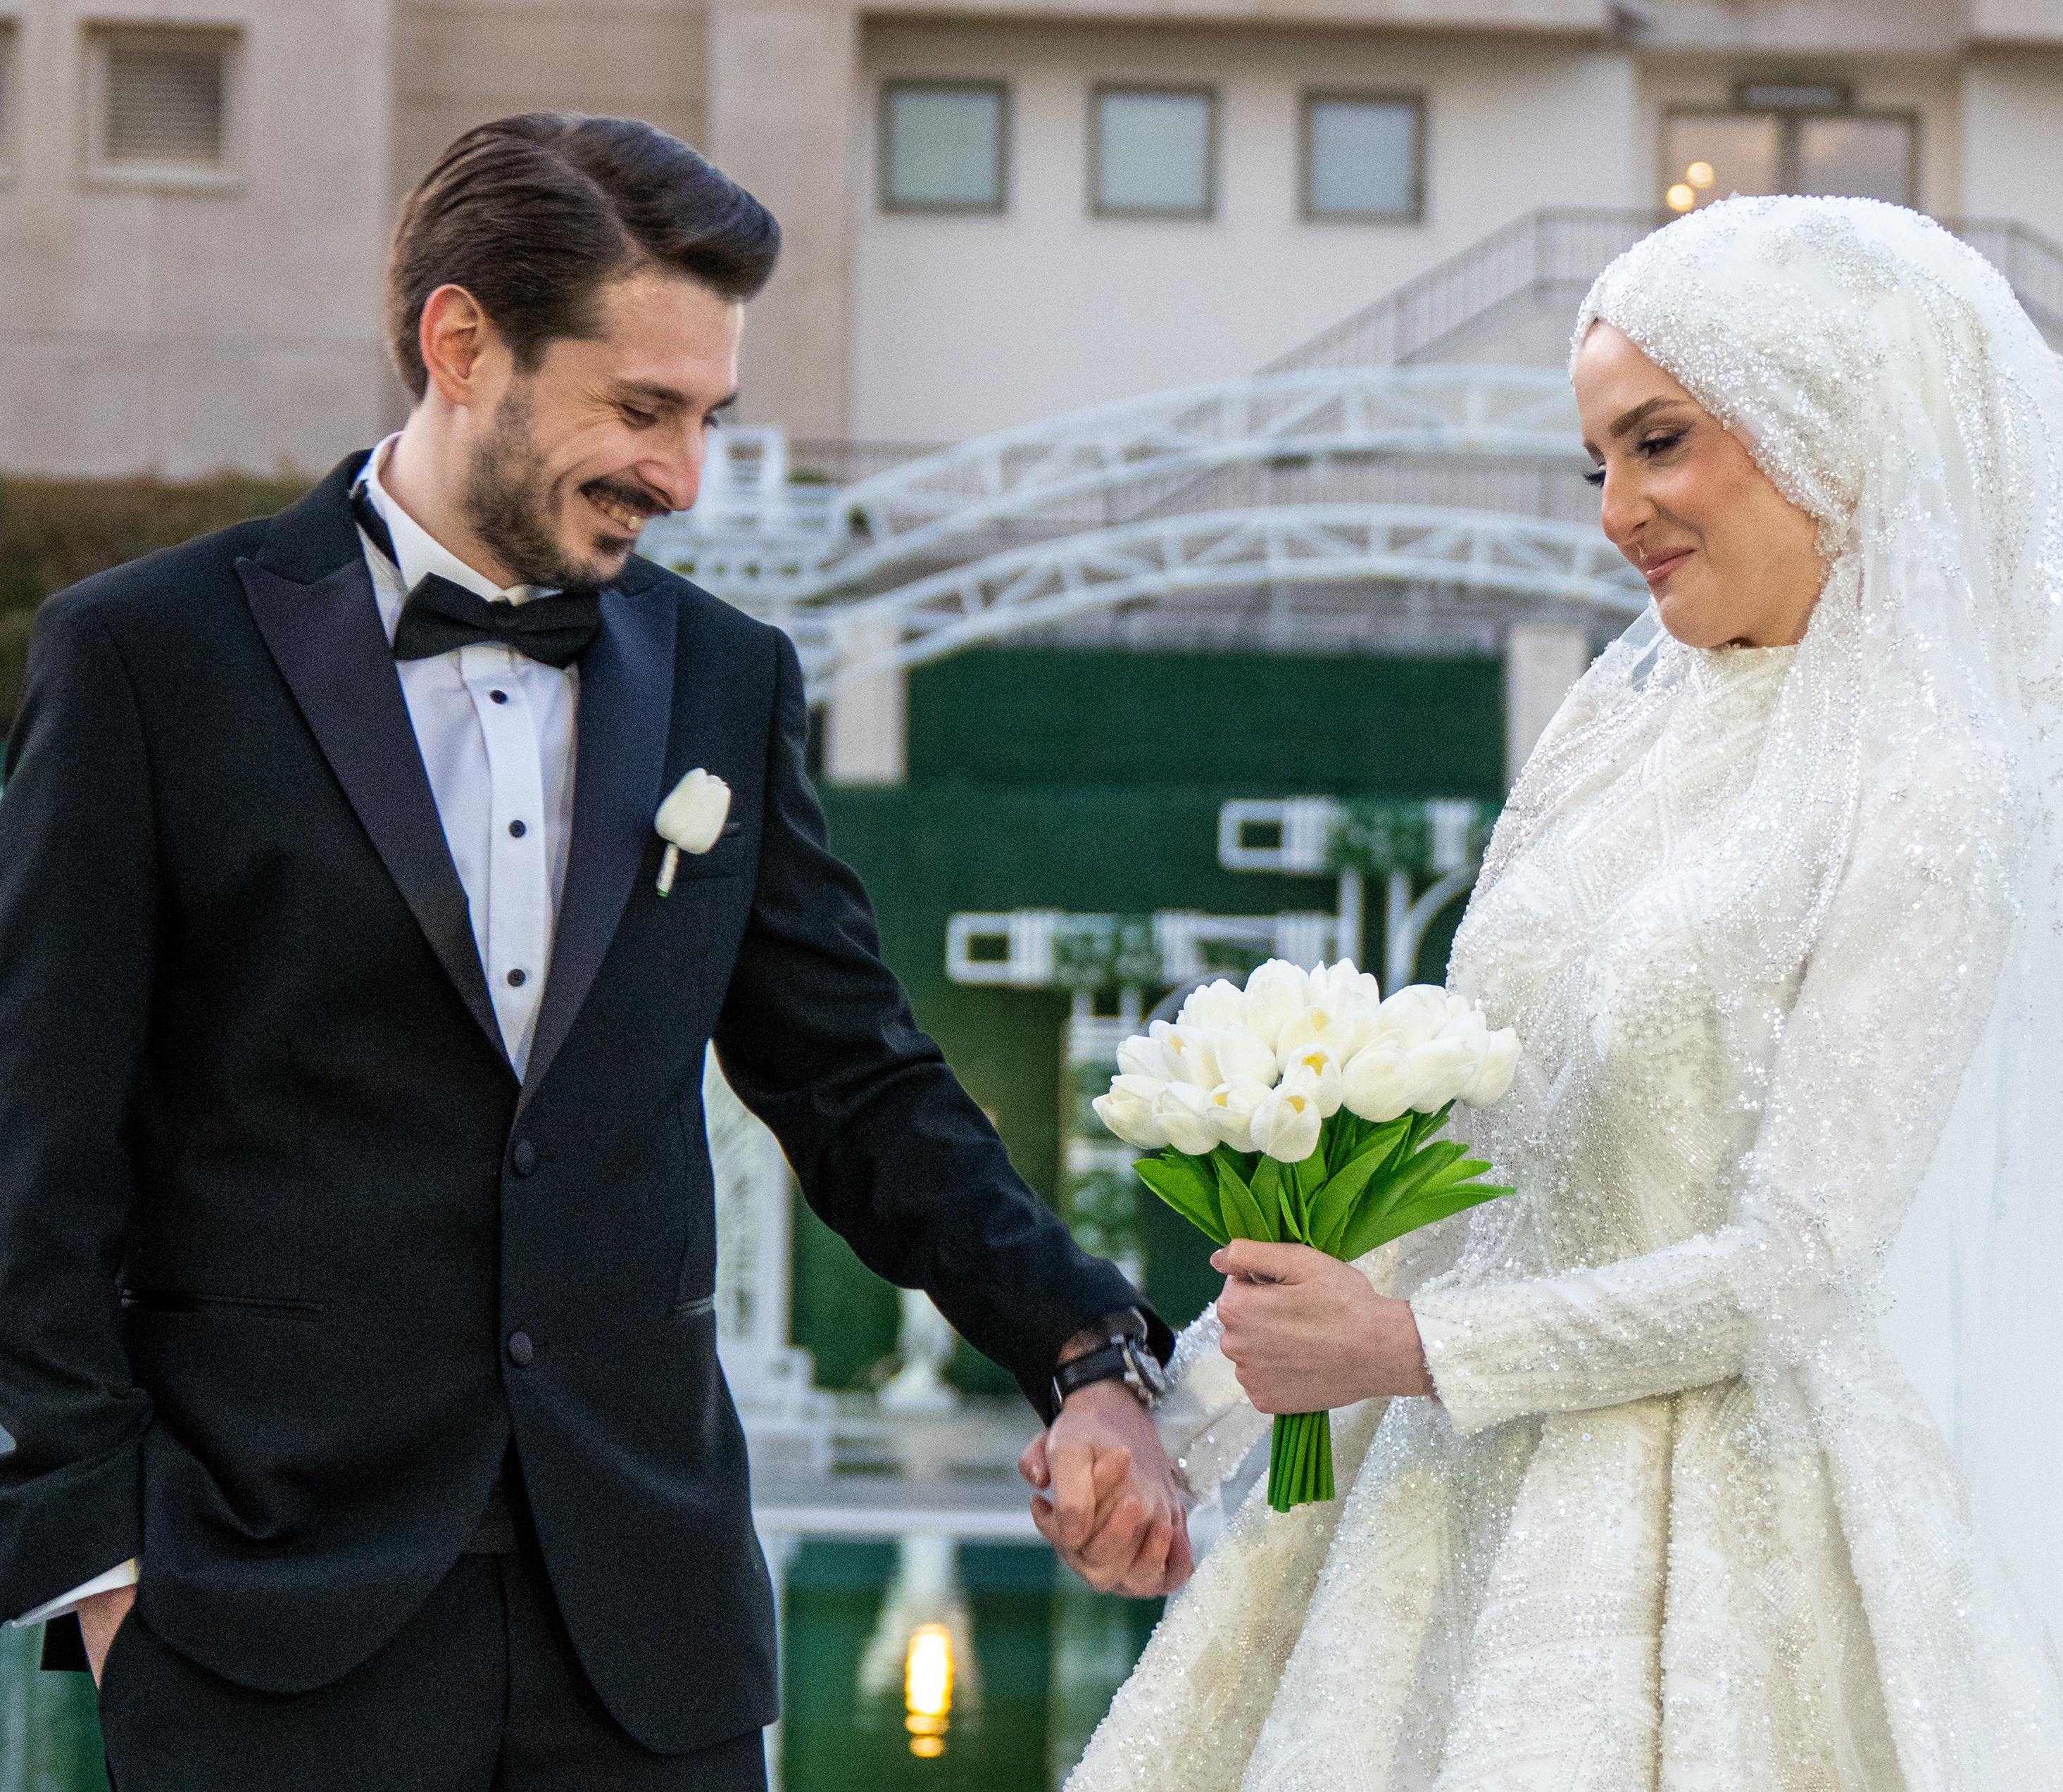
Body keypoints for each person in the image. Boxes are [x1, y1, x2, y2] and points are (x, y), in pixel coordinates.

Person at [0, 113, 1186, 1789]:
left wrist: (1083, 1349)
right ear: (461, 344)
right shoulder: (145, 658)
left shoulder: (726, 676)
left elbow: (855, 1081)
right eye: (641, 409)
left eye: (706, 418)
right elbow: (35, 1140)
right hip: (260, 1612)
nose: (682, 477)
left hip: (647, 1628)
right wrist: (106, 1560)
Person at [1067, 196, 2063, 1791]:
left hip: (1729, 1540)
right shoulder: (1610, 729)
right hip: (1423, 1506)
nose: (1616, 511)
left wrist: (1412, 1348)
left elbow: (1797, 1266)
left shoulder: (1936, 780)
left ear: (1824, 430)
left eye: (1659, 443)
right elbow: (1470, 1161)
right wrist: (1178, 1422)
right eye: (1598, 461)